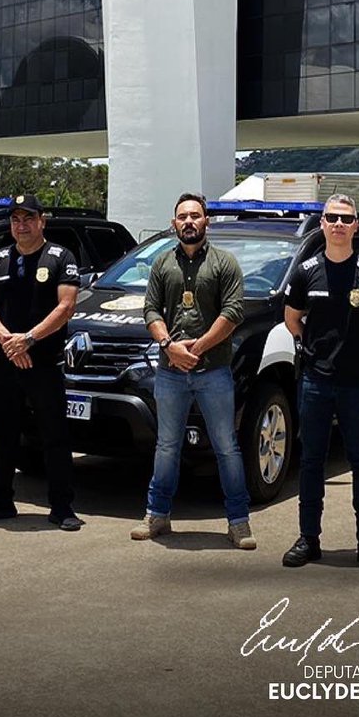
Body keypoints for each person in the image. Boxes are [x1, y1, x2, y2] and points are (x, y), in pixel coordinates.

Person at [282, 194, 359, 574]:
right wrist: (314, 352)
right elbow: (292, 319)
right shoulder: (306, 271)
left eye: (346, 219)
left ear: (355, 226)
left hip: (357, 386)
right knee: (312, 462)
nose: (338, 224)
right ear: (322, 224)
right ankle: (308, 539)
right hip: (315, 382)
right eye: (331, 217)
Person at [131, 192, 254, 549]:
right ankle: (157, 515)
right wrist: (170, 346)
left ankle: (239, 522)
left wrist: (196, 349)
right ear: (174, 224)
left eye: (195, 216)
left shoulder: (224, 263)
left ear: (206, 222)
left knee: (226, 446)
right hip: (170, 372)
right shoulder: (161, 264)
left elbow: (232, 313)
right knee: (166, 445)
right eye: (182, 216)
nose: (188, 221)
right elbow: (151, 310)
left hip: (213, 370)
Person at [0, 192, 83, 530]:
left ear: (41, 221)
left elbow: (66, 307)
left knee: (54, 435)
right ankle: (1, 499)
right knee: (3, 433)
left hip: (43, 361)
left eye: (28, 218)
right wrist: (8, 341)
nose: (22, 225)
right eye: (16, 219)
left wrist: (28, 339)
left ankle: (62, 506)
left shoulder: (61, 257)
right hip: (6, 359)